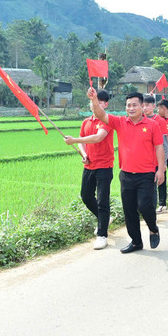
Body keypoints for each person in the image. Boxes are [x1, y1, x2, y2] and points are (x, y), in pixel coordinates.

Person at [87, 88, 165, 254]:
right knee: (129, 210)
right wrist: (94, 99)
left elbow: (159, 147)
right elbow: (101, 115)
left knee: (144, 206)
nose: (131, 108)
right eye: (128, 105)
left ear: (142, 106)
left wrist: (161, 170)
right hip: (127, 174)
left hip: (146, 174)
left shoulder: (152, 125)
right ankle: (136, 242)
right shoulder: (120, 122)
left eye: (134, 105)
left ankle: (153, 228)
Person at [64, 89, 115, 250]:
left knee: (102, 200)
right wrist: (84, 153)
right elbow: (83, 142)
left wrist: (74, 140)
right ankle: (104, 219)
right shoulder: (86, 122)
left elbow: (98, 137)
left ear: (105, 104)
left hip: (104, 166)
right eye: (93, 101)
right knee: (86, 196)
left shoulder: (106, 121)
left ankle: (102, 235)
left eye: (99, 102)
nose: (95, 104)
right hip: (89, 165)